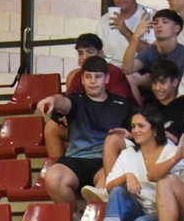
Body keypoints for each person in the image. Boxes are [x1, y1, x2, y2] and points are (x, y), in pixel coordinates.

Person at [38, 58, 134, 206]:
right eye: (88, 77)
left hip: (105, 163)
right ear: (82, 79)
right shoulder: (77, 100)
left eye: (98, 77)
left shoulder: (122, 104)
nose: (92, 81)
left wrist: (129, 135)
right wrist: (52, 100)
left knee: (106, 187)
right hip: (75, 159)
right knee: (52, 177)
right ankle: (73, 219)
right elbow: (63, 103)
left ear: (106, 78)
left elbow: (137, 130)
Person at [85, 109, 174, 221]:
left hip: (165, 215)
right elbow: (108, 187)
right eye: (133, 127)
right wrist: (127, 176)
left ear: (155, 129)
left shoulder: (170, 151)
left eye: (141, 126)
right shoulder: (128, 153)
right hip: (137, 210)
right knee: (118, 191)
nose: (136, 130)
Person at [127, 10, 184, 101]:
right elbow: (127, 69)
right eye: (156, 23)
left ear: (177, 28)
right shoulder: (150, 50)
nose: (159, 26)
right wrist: (135, 37)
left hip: (179, 102)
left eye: (165, 22)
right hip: (156, 101)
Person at [99, 0, 154, 67]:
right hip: (110, 71)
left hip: (138, 70)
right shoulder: (104, 19)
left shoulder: (148, 16)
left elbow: (152, 53)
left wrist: (126, 32)